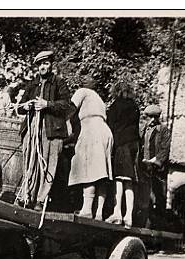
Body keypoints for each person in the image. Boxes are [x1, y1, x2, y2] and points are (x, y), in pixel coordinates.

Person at [17, 50, 76, 211]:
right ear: (37, 66)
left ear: (51, 65)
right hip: (32, 129)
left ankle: (41, 200)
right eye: (40, 64)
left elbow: (67, 106)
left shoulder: (59, 83)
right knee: (30, 162)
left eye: (46, 63)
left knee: (49, 165)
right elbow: (21, 107)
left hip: (52, 132)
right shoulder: (32, 84)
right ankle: (27, 196)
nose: (43, 67)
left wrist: (47, 104)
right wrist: (26, 105)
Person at [68, 84, 113, 220]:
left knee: (89, 170)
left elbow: (69, 109)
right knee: (101, 173)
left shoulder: (82, 92)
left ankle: (87, 209)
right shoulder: (99, 99)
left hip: (91, 129)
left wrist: (67, 124)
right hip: (105, 130)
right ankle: (99, 212)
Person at [105, 81, 140, 228]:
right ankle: (129, 216)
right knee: (129, 180)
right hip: (133, 145)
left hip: (121, 145)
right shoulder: (135, 106)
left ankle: (117, 213)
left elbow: (110, 126)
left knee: (119, 180)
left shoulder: (116, 106)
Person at [138, 104, 172, 226]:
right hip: (144, 168)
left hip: (157, 170)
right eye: (148, 117)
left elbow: (164, 149)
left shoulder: (163, 130)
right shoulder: (143, 130)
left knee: (158, 197)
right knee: (144, 196)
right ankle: (144, 221)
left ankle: (158, 225)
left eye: (153, 117)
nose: (151, 120)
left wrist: (155, 160)